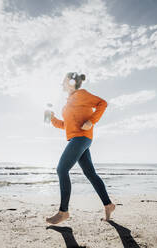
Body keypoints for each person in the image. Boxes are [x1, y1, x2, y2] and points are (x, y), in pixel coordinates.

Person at [45, 72, 115, 225]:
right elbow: (65, 125)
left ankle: (63, 212)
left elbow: (102, 103)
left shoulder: (81, 94)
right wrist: (52, 119)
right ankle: (108, 205)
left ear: (71, 82)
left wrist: (91, 121)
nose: (61, 83)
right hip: (78, 139)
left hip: (81, 138)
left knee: (61, 170)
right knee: (90, 174)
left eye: (64, 80)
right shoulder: (68, 103)